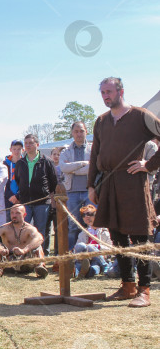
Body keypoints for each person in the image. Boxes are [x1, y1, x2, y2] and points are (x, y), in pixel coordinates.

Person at [89, 76, 160, 307]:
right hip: (108, 183)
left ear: (121, 91)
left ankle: (144, 290)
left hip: (133, 183)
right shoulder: (100, 121)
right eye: (102, 92)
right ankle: (127, 285)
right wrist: (91, 185)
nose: (106, 96)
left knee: (140, 236)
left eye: (109, 91)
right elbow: (94, 155)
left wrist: (148, 165)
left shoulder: (141, 116)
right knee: (117, 234)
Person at [11, 134, 57, 255]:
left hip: (42, 202)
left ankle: (42, 255)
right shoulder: (20, 163)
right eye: (26, 143)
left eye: (31, 143)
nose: (28, 145)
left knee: (41, 230)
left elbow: (53, 182)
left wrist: (45, 192)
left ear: (37, 144)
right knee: (24, 230)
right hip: (25, 201)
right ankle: (25, 255)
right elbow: (18, 180)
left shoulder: (47, 161)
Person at [0, 204, 49, 279]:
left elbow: (39, 238)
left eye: (18, 213)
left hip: (25, 262)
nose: (14, 215)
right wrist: (0, 249)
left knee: (37, 246)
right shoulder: (5, 227)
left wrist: (24, 250)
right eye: (12, 213)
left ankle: (40, 267)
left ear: (24, 214)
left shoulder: (29, 228)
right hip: (8, 262)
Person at [59, 122, 91, 248]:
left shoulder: (93, 149)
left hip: (90, 191)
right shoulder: (66, 151)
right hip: (71, 192)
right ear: (72, 133)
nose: (79, 134)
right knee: (73, 225)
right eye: (76, 131)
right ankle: (72, 254)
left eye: (81, 131)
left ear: (86, 132)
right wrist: (83, 163)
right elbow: (63, 167)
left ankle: (91, 253)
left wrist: (73, 168)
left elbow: (94, 167)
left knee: (91, 223)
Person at [73, 204, 111, 278]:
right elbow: (77, 249)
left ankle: (102, 265)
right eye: (83, 215)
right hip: (85, 258)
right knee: (80, 245)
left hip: (100, 258)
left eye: (89, 214)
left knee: (93, 267)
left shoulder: (105, 231)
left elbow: (111, 249)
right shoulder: (82, 233)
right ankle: (75, 272)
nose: (86, 216)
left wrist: (97, 246)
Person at [3, 140, 23, 220]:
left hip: (21, 197)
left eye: (19, 149)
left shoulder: (25, 163)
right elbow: (4, 182)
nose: (16, 151)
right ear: (10, 149)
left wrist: (18, 196)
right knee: (9, 222)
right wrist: (10, 195)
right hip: (8, 197)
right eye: (14, 149)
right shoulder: (5, 164)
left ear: (23, 150)